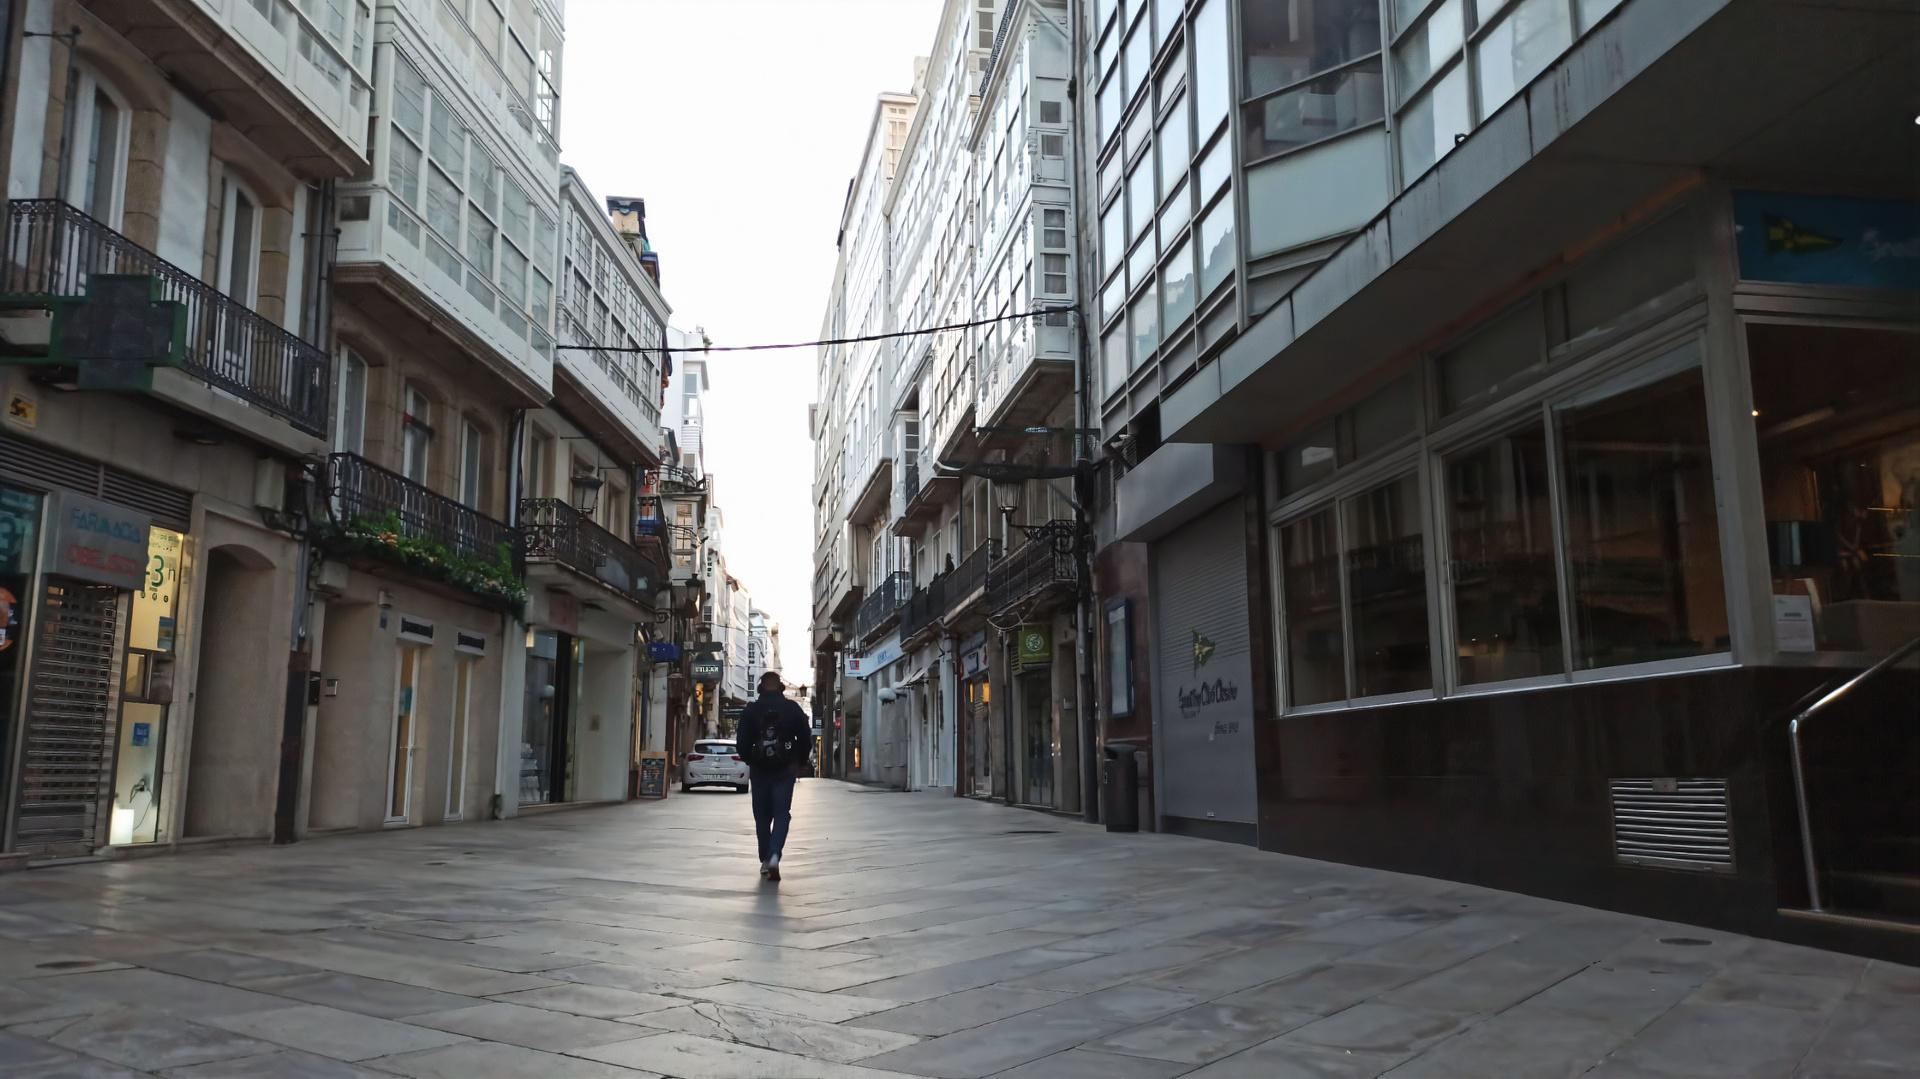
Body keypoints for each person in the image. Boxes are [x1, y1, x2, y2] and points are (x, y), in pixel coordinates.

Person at [733, 671, 810, 881]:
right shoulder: (792, 709)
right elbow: (805, 737)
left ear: (760, 688)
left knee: (762, 816)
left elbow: (741, 743)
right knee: (782, 813)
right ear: (781, 688)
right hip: (785, 770)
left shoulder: (751, 710)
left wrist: (751, 759)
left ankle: (766, 860)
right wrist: (799, 762)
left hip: (759, 771)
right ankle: (775, 853)